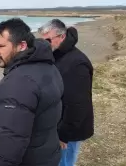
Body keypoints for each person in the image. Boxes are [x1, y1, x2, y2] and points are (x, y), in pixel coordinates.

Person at [0, 17, 64, 166]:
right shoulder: (49, 66)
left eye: (1, 46)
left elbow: (11, 147)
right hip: (48, 154)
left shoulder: (18, 82)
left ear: (22, 46)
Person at [37, 19, 94, 166]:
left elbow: (78, 105)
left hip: (68, 131)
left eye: (49, 40)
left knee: (64, 163)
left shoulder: (76, 63)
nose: (45, 44)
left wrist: (64, 135)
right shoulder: (57, 54)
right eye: (43, 41)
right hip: (57, 124)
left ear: (62, 36)